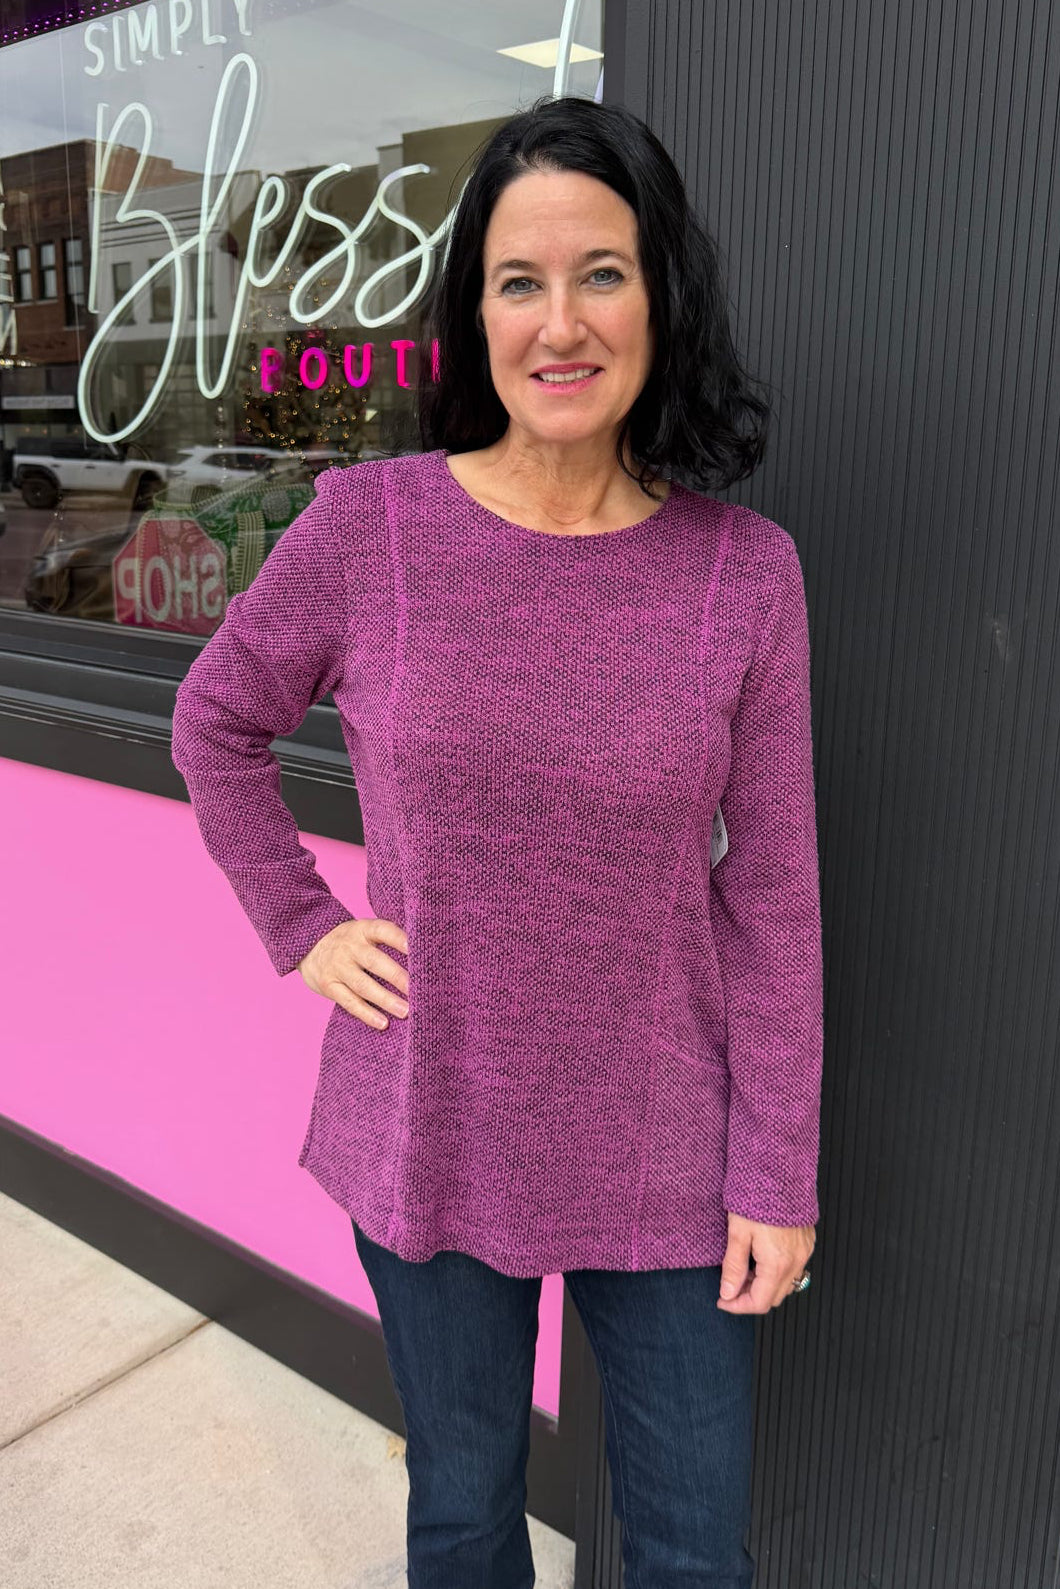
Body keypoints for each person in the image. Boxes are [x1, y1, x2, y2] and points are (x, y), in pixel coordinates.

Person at [171, 93, 823, 1589]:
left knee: (688, 1547)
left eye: (601, 270)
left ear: (662, 292)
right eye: (518, 281)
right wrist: (302, 920)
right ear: (474, 316)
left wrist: (777, 1167)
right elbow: (215, 722)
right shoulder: (370, 529)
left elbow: (775, 896)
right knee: (463, 1515)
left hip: (669, 1141)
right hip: (432, 1121)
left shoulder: (743, 575)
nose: (560, 320)